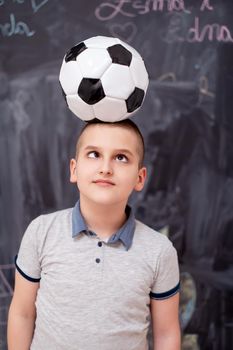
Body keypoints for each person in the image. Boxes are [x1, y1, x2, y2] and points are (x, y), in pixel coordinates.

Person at [7, 119, 180, 350]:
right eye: (94, 154)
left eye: (121, 157)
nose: (106, 168)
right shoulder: (41, 232)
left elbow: (167, 334)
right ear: (74, 169)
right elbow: (22, 314)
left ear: (140, 178)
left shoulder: (159, 251)